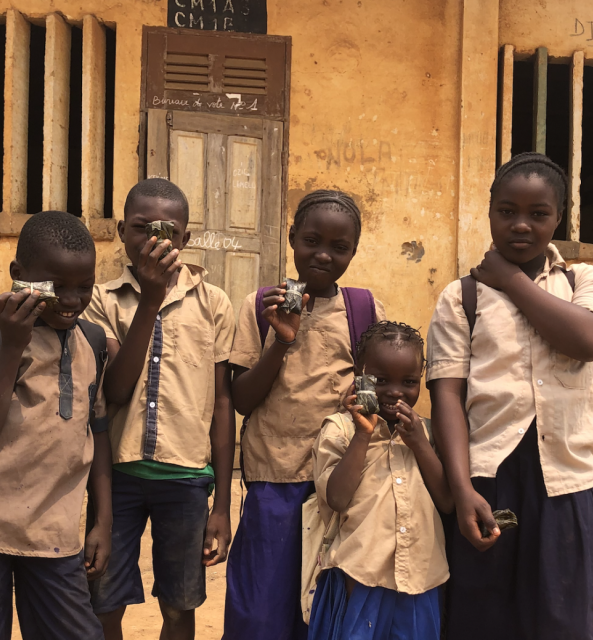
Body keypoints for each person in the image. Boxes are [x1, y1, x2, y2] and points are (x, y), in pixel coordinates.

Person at [427, 152, 593, 640]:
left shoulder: (580, 281)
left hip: (568, 481)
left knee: (563, 621)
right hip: (489, 481)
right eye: (506, 211)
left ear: (558, 217)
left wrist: (511, 280)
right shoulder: (462, 298)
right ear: (490, 211)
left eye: (538, 214)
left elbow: (583, 341)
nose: (521, 224)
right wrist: (461, 491)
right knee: (484, 619)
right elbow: (448, 399)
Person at [224, 190, 386, 640]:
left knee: (322, 610)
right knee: (260, 611)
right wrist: (282, 340)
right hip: (273, 480)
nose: (323, 255)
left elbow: (376, 392)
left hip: (339, 484)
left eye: (340, 248)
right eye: (312, 240)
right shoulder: (260, 305)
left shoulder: (363, 310)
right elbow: (241, 398)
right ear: (292, 237)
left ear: (353, 251)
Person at [84, 178, 236, 640]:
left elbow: (223, 403)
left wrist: (223, 506)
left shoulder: (214, 304)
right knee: (104, 601)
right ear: (120, 231)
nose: (154, 239)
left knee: (178, 604)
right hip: (118, 479)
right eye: (141, 227)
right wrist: (150, 301)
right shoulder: (101, 300)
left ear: (185, 239)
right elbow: (115, 389)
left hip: (186, 479)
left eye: (167, 230)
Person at [0, 210, 111, 640]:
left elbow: (94, 431)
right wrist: (14, 347)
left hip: (54, 534)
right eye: (57, 287)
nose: (72, 299)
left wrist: (103, 520)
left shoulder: (92, 343)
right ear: (19, 276)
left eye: (84, 286)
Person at [309, 321, 452, 640]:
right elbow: (337, 499)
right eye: (380, 380)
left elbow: (446, 500)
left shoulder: (426, 433)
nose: (395, 392)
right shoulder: (340, 431)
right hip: (360, 578)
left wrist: (418, 442)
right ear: (359, 373)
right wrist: (363, 434)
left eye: (409, 381)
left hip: (420, 580)